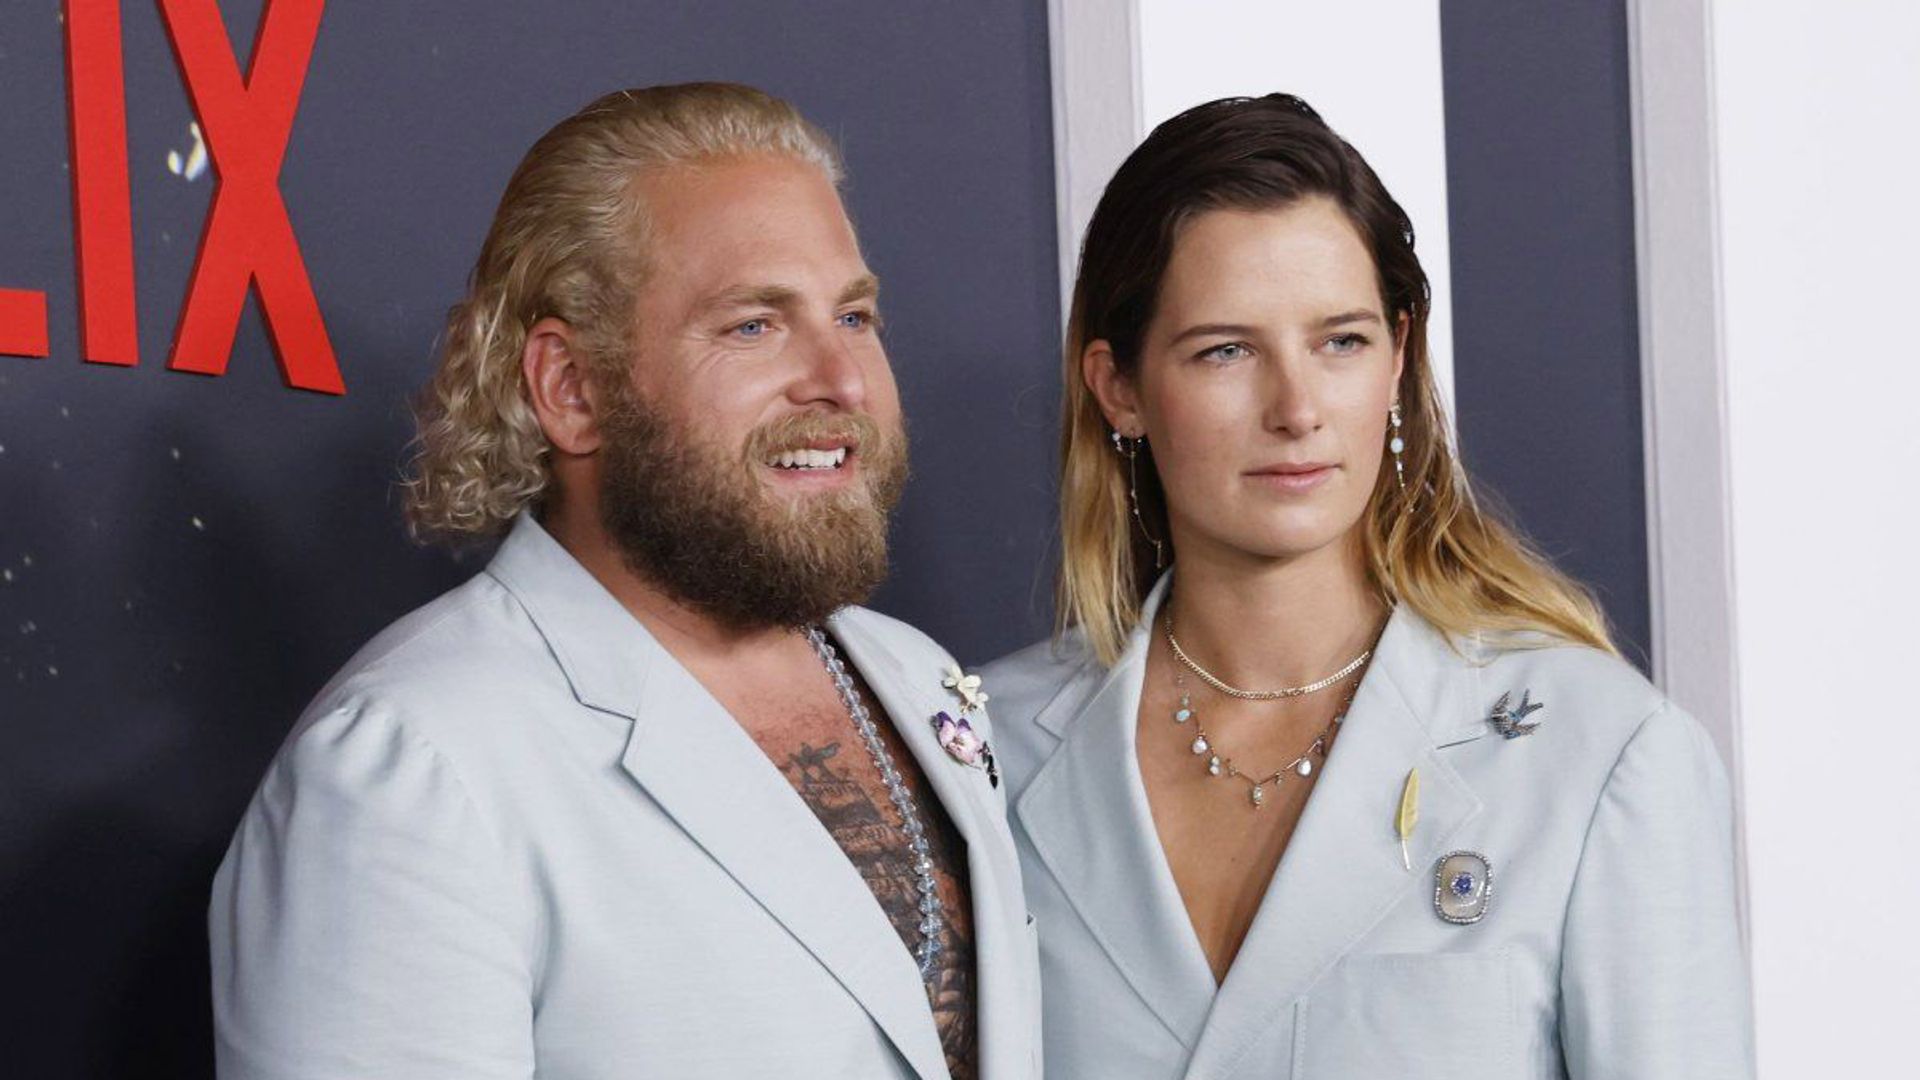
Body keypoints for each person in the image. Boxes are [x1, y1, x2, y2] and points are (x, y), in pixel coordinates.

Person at [208, 83, 1039, 1080]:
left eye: (855, 315)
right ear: (571, 388)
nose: (844, 381)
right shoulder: (412, 769)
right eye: (753, 326)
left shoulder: (915, 676)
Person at [980, 94, 1753, 1079]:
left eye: (1339, 341)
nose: (1296, 409)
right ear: (1119, 387)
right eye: (1225, 350)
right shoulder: (984, 755)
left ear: (1397, 362)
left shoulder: (1599, 756)